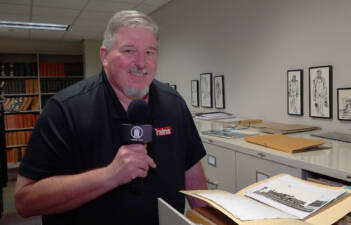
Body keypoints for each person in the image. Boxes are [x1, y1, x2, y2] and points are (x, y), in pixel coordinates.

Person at [14, 10, 207, 225]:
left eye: (150, 52)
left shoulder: (174, 103)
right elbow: (25, 201)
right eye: (129, 51)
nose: (141, 63)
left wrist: (209, 220)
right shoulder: (64, 110)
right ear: (104, 56)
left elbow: (192, 175)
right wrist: (110, 176)